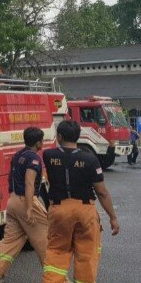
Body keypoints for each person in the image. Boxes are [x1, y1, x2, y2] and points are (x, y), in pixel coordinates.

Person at [41, 120, 120, 283]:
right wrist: (113, 217)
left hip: (59, 210)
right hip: (85, 211)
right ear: (78, 137)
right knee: (87, 254)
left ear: (59, 136)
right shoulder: (90, 159)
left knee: (57, 252)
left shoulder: (48, 156)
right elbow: (102, 192)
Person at [0, 127, 48, 282]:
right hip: (25, 201)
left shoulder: (17, 155)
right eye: (42, 140)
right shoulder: (34, 159)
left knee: (10, 240)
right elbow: (29, 183)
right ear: (38, 143)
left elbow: (10, 178)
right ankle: (56, 278)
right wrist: (29, 208)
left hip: (12, 201)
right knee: (45, 239)